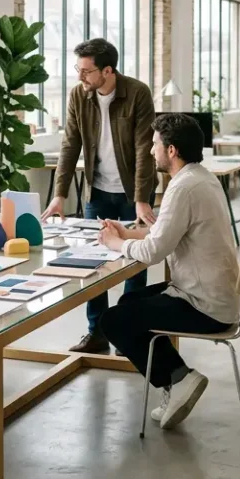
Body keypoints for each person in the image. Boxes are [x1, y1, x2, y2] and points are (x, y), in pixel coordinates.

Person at [96, 113, 240, 430]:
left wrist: (115, 244)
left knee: (113, 320)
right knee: (128, 304)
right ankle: (177, 380)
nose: (151, 150)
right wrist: (125, 233)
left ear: (171, 150)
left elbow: (153, 252)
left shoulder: (183, 188)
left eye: (155, 144)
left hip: (205, 306)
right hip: (213, 295)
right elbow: (163, 232)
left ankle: (180, 378)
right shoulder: (201, 178)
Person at [42, 38, 156, 355]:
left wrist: (141, 198)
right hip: (99, 191)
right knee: (92, 260)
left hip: (133, 193)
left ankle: (129, 330)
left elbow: (144, 148)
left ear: (108, 71)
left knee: (136, 258)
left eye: (86, 71)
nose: (80, 76)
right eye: (78, 69)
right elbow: (70, 145)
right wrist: (59, 194)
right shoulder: (79, 95)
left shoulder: (137, 93)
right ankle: (97, 332)